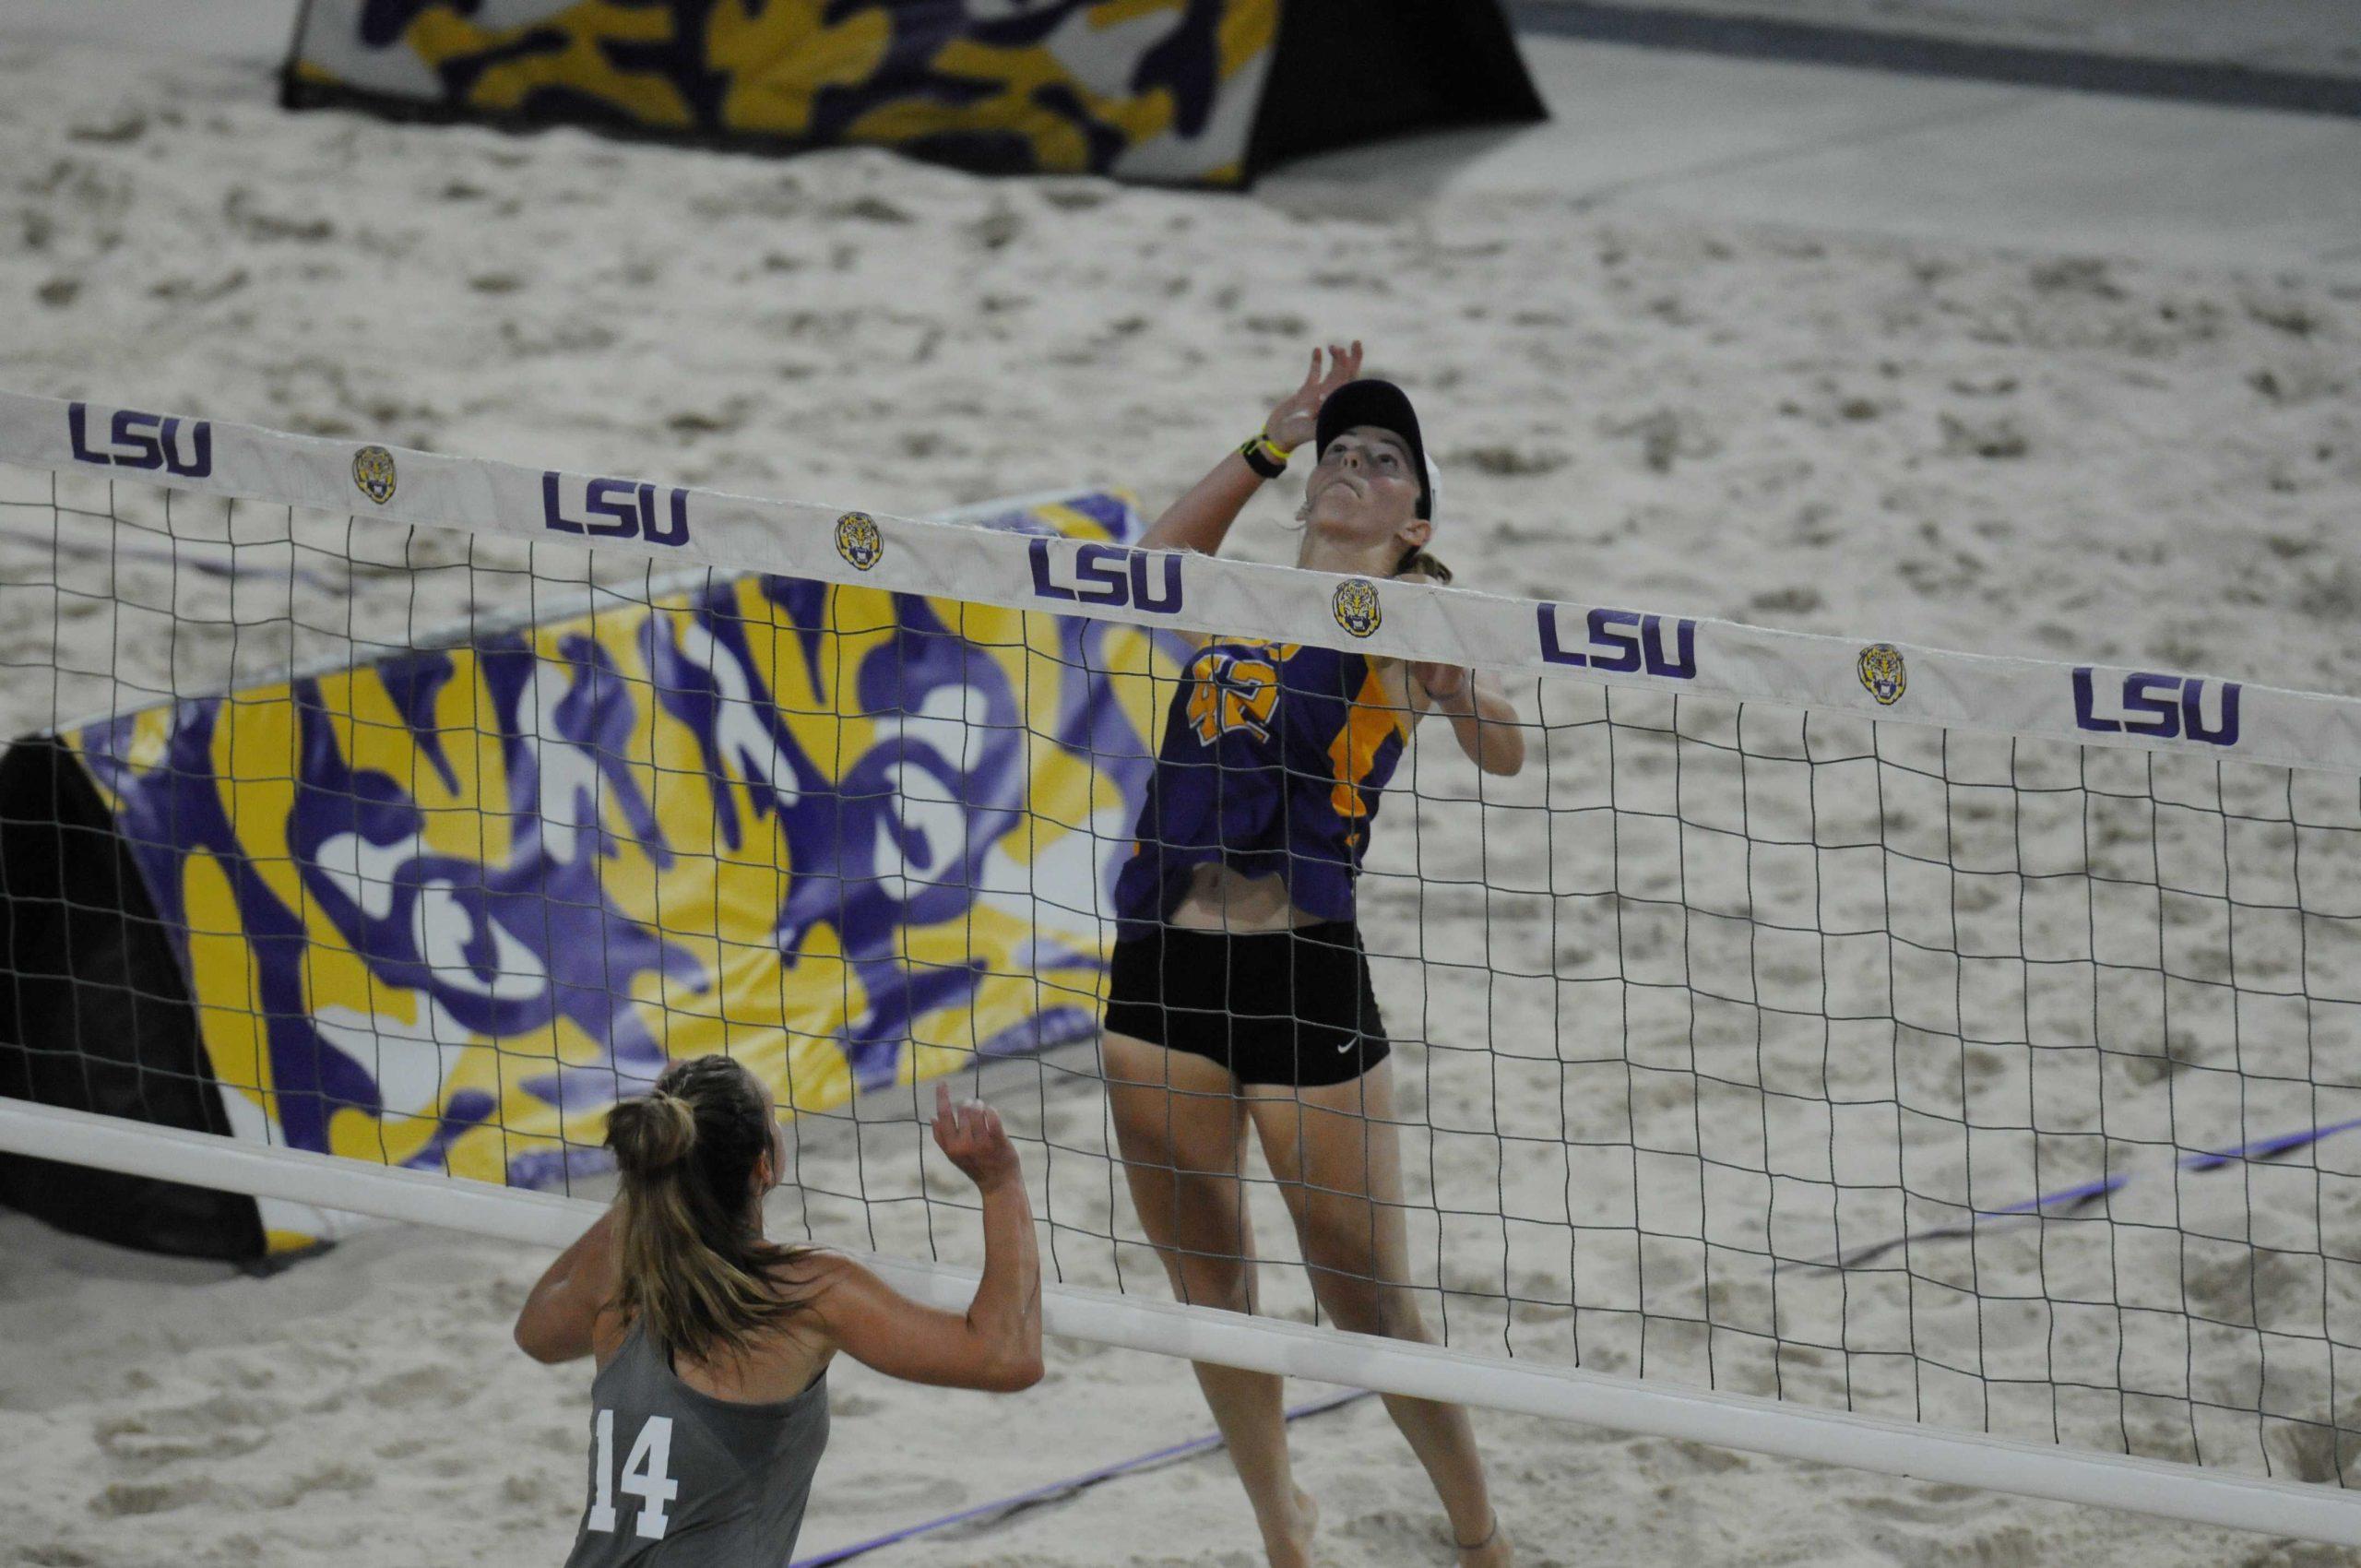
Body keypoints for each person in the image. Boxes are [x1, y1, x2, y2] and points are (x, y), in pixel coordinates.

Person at [1100, 343, 1525, 1568]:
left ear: (1417, 517)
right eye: (1341, 452)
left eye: (1384, 458)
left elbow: (1503, 749)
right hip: (1162, 967)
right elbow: (1149, 568)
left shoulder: (1409, 620)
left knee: (1364, 1294)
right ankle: (1282, 1526)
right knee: (1211, 1293)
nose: (1354, 464)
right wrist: (1270, 437)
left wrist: (1454, 693)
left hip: (1302, 974)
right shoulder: (1236, 602)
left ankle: (1479, 1529)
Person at [514, 1054, 1041, 1563]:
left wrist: (656, 1175)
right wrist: (1000, 1182)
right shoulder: (804, 1292)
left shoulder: (621, 1277)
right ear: (764, 1166)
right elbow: (1006, 1356)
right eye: (773, 1117)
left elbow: (535, 1334)